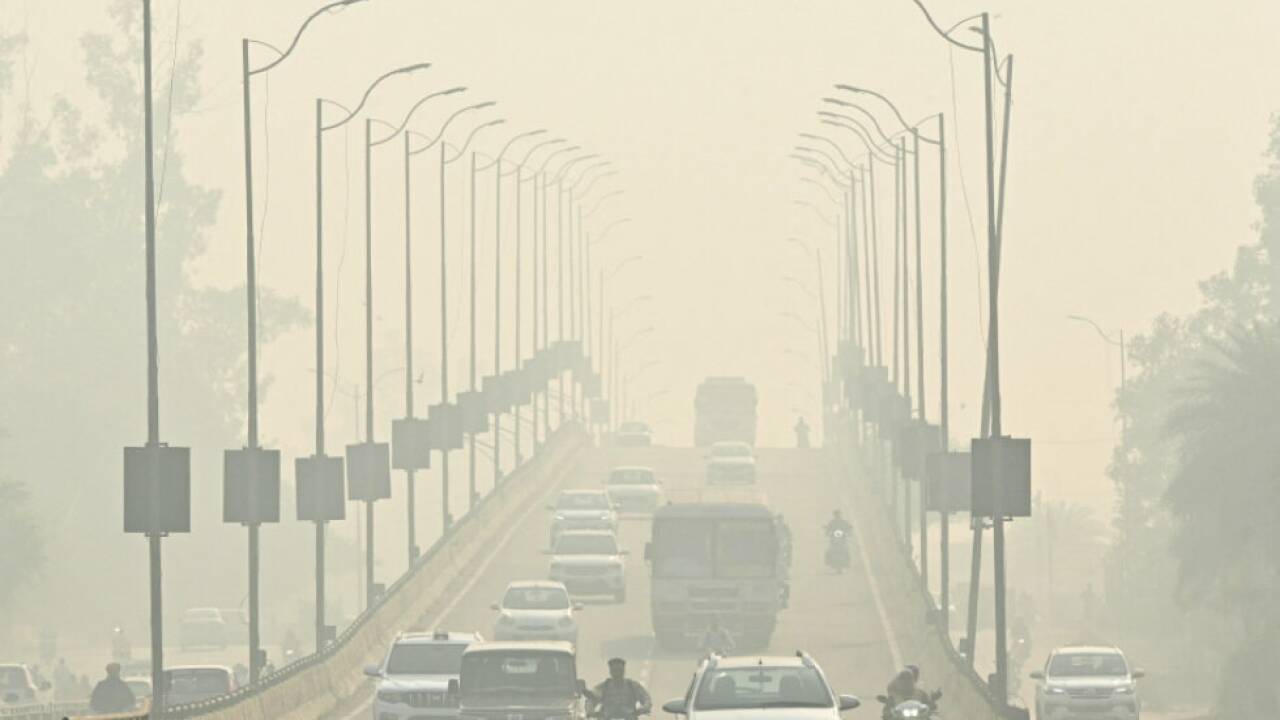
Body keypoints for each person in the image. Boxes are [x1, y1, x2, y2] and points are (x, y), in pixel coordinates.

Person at [587, 658, 651, 720]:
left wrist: (645, 707)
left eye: (619, 670)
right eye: (614, 670)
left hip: (629, 715)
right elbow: (592, 698)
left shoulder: (632, 685)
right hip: (606, 716)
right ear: (610, 671)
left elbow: (646, 698)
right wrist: (590, 710)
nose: (617, 673)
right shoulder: (604, 686)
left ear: (623, 671)